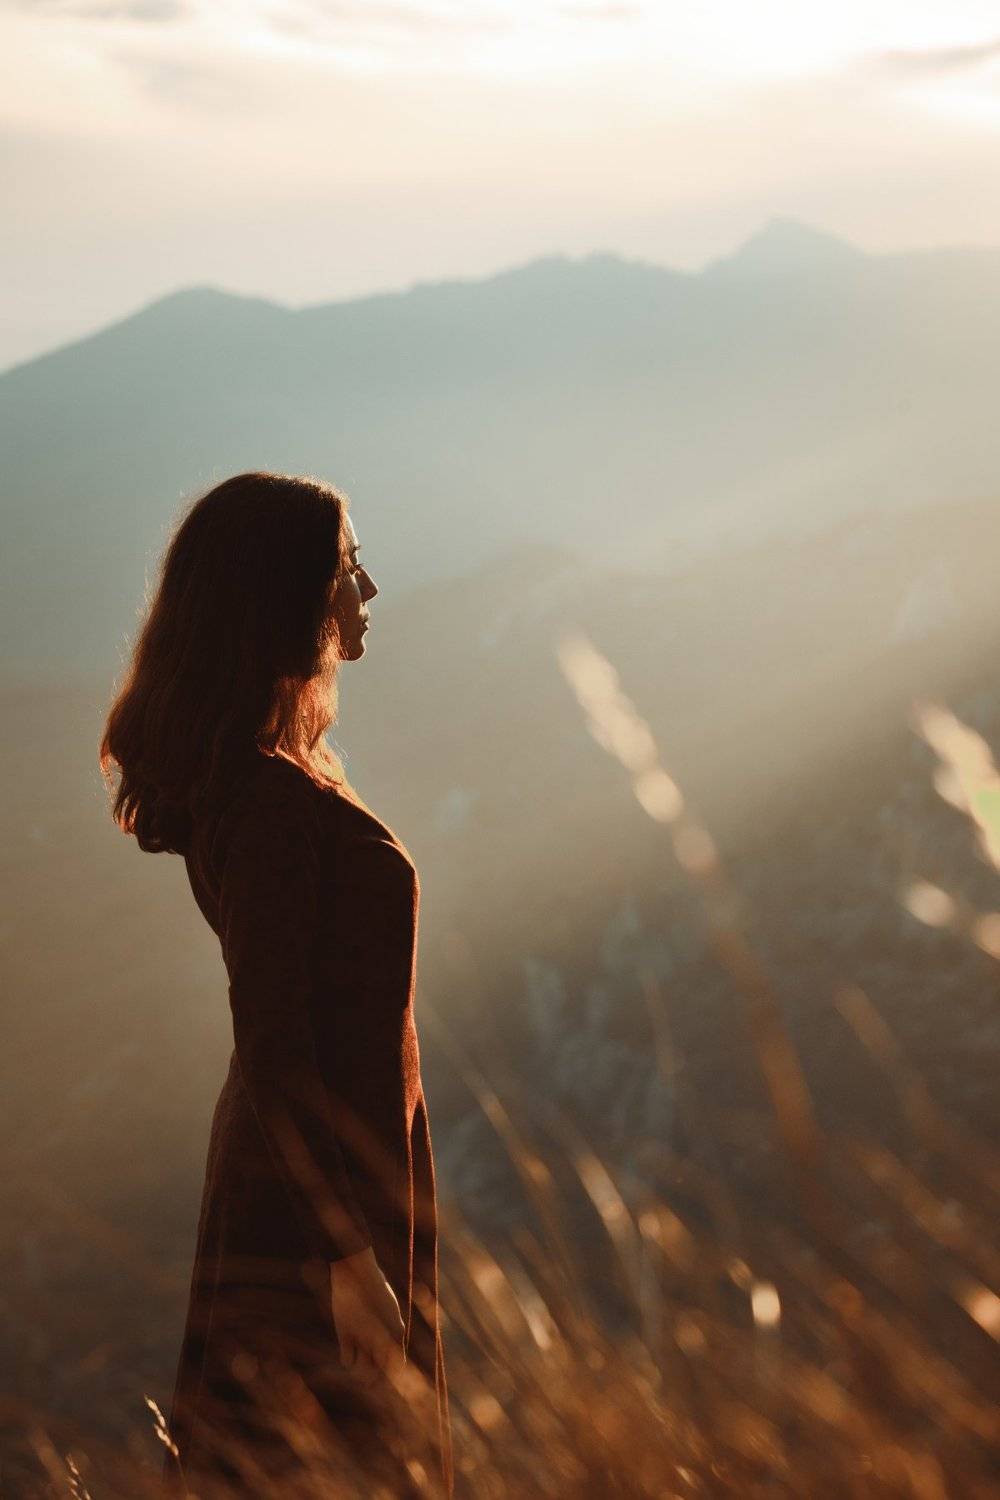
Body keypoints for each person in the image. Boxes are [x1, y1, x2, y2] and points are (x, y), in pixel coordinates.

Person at [98, 472, 454, 1498]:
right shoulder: (271, 809)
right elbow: (275, 1049)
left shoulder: (272, 785)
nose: (369, 590)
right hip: (310, 1205)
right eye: (346, 569)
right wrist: (344, 1258)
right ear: (284, 596)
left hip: (325, 1177)